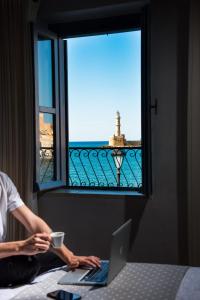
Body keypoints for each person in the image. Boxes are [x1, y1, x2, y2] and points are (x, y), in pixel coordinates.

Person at [0, 171, 100, 287]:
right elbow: (20, 247)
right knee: (28, 266)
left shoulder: (3, 180)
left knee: (58, 257)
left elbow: (33, 222)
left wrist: (69, 256)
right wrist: (20, 247)